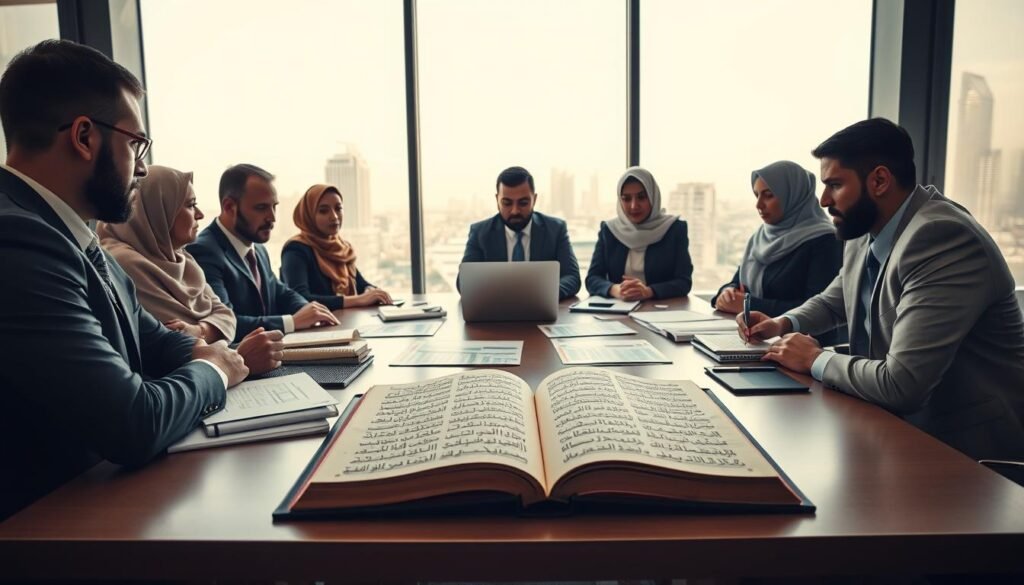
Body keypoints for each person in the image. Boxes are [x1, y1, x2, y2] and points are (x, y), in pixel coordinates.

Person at [0, 40, 248, 520]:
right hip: (47, 535)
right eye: (136, 143)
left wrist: (199, 352)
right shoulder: (17, 241)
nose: (142, 166)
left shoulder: (82, 241)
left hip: (99, 507)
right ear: (85, 137)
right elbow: (132, 424)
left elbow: (157, 344)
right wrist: (217, 369)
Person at [740, 118, 1024, 472]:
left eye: (835, 185)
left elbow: (902, 383)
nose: (824, 200)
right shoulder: (866, 228)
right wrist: (782, 323)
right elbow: (837, 296)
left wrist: (814, 358)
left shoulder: (941, 237)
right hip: (895, 429)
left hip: (966, 455)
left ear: (879, 180)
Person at [98, 165, 284, 374]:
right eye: (190, 205)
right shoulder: (123, 264)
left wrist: (199, 330)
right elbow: (177, 340)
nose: (200, 214)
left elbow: (226, 315)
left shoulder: (183, 259)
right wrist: (212, 331)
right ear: (159, 210)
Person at [187, 164, 339, 342]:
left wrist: (310, 311)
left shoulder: (258, 247)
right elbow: (225, 323)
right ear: (229, 207)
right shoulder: (204, 251)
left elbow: (281, 292)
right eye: (261, 208)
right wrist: (292, 322)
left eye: (274, 206)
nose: (272, 217)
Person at [711, 160, 844, 345]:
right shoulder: (761, 237)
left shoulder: (825, 240)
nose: (759, 204)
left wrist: (748, 305)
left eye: (768, 195)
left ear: (793, 196)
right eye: (757, 195)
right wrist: (727, 292)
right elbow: (739, 281)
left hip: (805, 348)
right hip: (758, 342)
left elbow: (820, 308)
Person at [459, 166, 580, 299]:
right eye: (507, 203)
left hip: (540, 307)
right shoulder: (480, 233)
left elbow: (572, 277)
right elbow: (463, 282)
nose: (515, 211)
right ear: (497, 200)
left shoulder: (556, 229)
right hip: (496, 312)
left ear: (534, 199)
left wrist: (545, 293)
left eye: (523, 203)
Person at [586, 166, 693, 301]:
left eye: (641, 197)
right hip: (619, 310)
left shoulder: (674, 229)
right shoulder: (609, 230)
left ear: (653, 197)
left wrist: (649, 291)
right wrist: (615, 289)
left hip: (661, 311)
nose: (633, 206)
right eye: (626, 199)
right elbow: (592, 279)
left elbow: (684, 282)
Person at [281, 183, 392, 310]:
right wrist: (358, 300)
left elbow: (361, 284)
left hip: (346, 322)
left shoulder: (341, 248)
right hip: (316, 328)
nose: (334, 216)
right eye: (323, 211)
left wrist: (371, 291)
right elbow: (300, 298)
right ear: (309, 215)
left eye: (338, 208)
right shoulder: (296, 250)